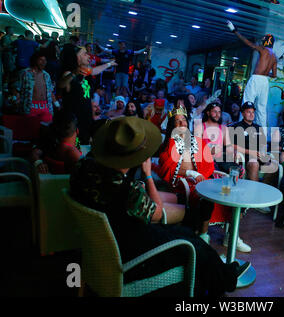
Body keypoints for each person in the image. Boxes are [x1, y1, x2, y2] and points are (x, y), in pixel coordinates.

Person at [70, 116, 250, 296]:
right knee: (192, 244)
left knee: (186, 233)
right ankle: (224, 280)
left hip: (106, 242)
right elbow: (156, 211)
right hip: (130, 255)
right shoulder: (126, 191)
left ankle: (219, 274)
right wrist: (148, 175)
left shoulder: (83, 166)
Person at [156, 106, 216, 244]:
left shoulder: (198, 141)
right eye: (177, 121)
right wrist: (190, 173)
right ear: (173, 126)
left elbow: (209, 164)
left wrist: (200, 176)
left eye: (184, 120)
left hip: (202, 180)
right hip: (182, 184)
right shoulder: (170, 144)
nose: (182, 123)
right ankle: (202, 234)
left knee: (220, 191)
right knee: (205, 198)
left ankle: (225, 234)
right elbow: (167, 168)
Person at [57, 45, 117, 144]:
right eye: (85, 54)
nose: (88, 56)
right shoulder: (69, 73)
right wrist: (73, 74)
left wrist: (110, 64)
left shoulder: (84, 72)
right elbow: (61, 84)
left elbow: (94, 71)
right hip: (74, 121)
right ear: (76, 57)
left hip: (86, 118)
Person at [227, 21, 277, 127]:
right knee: (261, 109)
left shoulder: (263, 49)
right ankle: (262, 135)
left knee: (246, 103)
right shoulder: (274, 56)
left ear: (267, 41)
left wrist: (234, 30)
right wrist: (266, 73)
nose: (262, 40)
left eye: (264, 39)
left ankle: (241, 128)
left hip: (256, 79)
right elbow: (274, 75)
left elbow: (248, 43)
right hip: (265, 82)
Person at [229, 101, 270, 182]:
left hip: (258, 155)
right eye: (248, 112)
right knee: (254, 163)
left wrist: (262, 153)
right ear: (243, 113)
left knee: (273, 165)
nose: (251, 114)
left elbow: (263, 144)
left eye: (253, 112)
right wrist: (251, 152)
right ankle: (254, 192)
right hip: (244, 156)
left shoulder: (258, 128)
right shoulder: (235, 127)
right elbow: (231, 145)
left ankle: (264, 189)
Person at [18, 51, 55, 123]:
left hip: (45, 107)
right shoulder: (25, 73)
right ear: (35, 60)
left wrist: (57, 104)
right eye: (41, 60)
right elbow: (16, 88)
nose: (44, 62)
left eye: (45, 60)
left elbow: (50, 92)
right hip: (30, 107)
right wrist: (15, 101)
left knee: (46, 129)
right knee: (31, 130)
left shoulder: (46, 75)